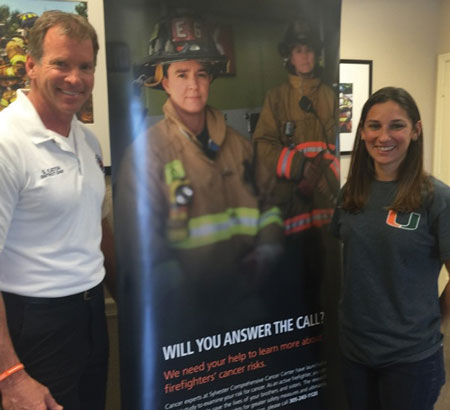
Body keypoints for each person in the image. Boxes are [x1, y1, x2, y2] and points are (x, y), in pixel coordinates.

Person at [116, 13, 284, 339]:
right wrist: (183, 302)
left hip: (246, 311)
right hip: (184, 321)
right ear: (163, 81)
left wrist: (267, 251)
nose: (193, 84)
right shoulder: (147, 155)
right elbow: (140, 248)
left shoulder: (240, 147)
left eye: (201, 74)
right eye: (181, 74)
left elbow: (271, 205)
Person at [0, 11, 114, 410]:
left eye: (85, 66)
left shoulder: (88, 141)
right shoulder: (6, 143)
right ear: (31, 66)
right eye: (60, 64)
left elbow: (97, 225)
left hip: (90, 314)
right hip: (33, 324)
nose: (75, 78)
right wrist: (10, 375)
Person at [331, 86, 450, 410]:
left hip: (410, 359)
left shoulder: (436, 198)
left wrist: (433, 319)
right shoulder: (349, 195)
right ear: (363, 132)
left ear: (415, 130)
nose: (384, 136)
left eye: (396, 125)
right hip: (354, 351)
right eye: (374, 125)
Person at [252, 18, 339, 307]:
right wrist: (301, 167)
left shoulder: (333, 97)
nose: (305, 56)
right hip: (292, 209)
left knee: (327, 286)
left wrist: (322, 177)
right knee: (292, 288)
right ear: (288, 55)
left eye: (310, 49)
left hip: (327, 211)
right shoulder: (276, 98)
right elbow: (263, 145)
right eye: (299, 50)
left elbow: (344, 149)